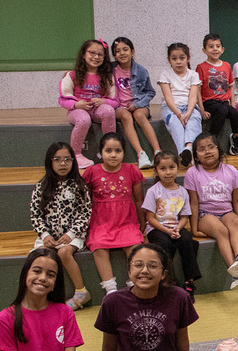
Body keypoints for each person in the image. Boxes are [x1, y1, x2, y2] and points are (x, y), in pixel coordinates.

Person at [95, 243, 215, 351]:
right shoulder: (113, 302)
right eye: (138, 265)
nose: (145, 271)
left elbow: (182, 339)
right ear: (129, 272)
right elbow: (109, 349)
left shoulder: (178, 297)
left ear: (163, 274)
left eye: (152, 266)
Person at [185, 132, 238, 290]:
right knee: (221, 230)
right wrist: (195, 229)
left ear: (219, 149)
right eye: (202, 149)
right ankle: (235, 271)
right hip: (205, 214)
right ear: (196, 155)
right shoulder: (193, 173)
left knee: (234, 222)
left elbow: (237, 200)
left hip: (227, 211)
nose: (208, 151)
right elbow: (193, 203)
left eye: (211, 147)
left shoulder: (231, 170)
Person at [30, 142, 92, 310]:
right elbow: (35, 215)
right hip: (49, 235)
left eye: (67, 159)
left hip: (73, 235)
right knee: (42, 256)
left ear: (73, 162)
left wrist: (70, 235)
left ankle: (81, 291)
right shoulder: (41, 186)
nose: (63, 164)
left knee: (64, 252)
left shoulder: (79, 185)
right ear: (50, 162)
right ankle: (44, 295)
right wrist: (45, 236)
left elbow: (85, 213)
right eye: (57, 159)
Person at [83, 132, 144, 295]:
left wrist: (142, 223)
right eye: (108, 150)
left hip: (126, 222)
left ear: (124, 153)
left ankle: (133, 286)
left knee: (135, 247)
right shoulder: (91, 172)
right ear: (100, 153)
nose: (113, 155)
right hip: (101, 223)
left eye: (118, 151)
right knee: (98, 246)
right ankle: (111, 290)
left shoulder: (131, 170)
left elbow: (139, 200)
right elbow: (85, 201)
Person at [142, 151, 201, 301]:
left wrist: (177, 228)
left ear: (178, 168)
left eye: (171, 167)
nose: (168, 172)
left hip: (176, 226)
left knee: (188, 242)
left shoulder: (182, 192)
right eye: (163, 168)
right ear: (156, 171)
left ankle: (189, 283)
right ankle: (170, 284)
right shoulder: (153, 191)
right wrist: (167, 231)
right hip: (158, 228)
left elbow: (185, 217)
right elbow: (150, 219)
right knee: (163, 244)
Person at [58, 39, 117, 169]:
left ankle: (108, 148)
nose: (96, 57)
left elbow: (114, 101)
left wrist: (104, 101)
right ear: (84, 54)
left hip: (97, 110)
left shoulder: (107, 77)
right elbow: (62, 99)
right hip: (77, 111)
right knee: (84, 119)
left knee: (108, 111)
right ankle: (76, 155)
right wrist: (76, 105)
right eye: (92, 53)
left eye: (100, 54)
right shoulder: (72, 75)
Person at [111, 37, 160, 169]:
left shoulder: (141, 71)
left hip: (139, 104)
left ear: (132, 52)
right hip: (120, 107)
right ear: (114, 55)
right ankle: (141, 154)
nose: (122, 53)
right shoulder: (110, 70)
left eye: (125, 49)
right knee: (126, 117)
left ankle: (157, 152)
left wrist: (137, 105)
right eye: (117, 51)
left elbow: (150, 92)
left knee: (139, 115)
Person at [196, 34, 238, 156]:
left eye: (218, 46)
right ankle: (211, 139)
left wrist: (233, 104)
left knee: (235, 114)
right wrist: (201, 109)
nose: (215, 49)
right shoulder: (201, 67)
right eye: (211, 47)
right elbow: (197, 90)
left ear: (222, 49)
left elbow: (231, 86)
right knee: (222, 111)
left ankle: (236, 138)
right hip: (209, 102)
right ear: (204, 50)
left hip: (224, 101)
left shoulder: (226, 65)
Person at [157, 42, 202, 167]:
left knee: (194, 120)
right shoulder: (165, 74)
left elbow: (193, 96)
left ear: (188, 58)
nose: (178, 62)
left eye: (182, 58)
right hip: (171, 108)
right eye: (174, 58)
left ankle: (188, 147)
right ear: (169, 60)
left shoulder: (193, 75)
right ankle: (184, 152)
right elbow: (168, 97)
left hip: (189, 107)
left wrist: (188, 113)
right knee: (175, 124)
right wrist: (178, 114)